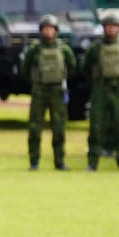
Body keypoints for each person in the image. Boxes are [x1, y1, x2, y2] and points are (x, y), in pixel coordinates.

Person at [80, 13, 119, 170]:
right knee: (96, 127)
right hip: (100, 91)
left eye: (114, 27)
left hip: (118, 91)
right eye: (108, 26)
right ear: (104, 28)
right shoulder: (95, 48)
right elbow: (85, 67)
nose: (111, 30)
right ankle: (92, 162)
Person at [19, 14, 75, 170]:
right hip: (39, 92)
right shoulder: (34, 49)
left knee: (59, 128)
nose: (49, 32)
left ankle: (59, 161)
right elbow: (25, 68)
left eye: (51, 29)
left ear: (56, 31)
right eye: (46, 29)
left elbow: (71, 66)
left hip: (57, 91)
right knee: (35, 128)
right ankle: (34, 161)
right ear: (41, 31)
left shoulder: (63, 49)